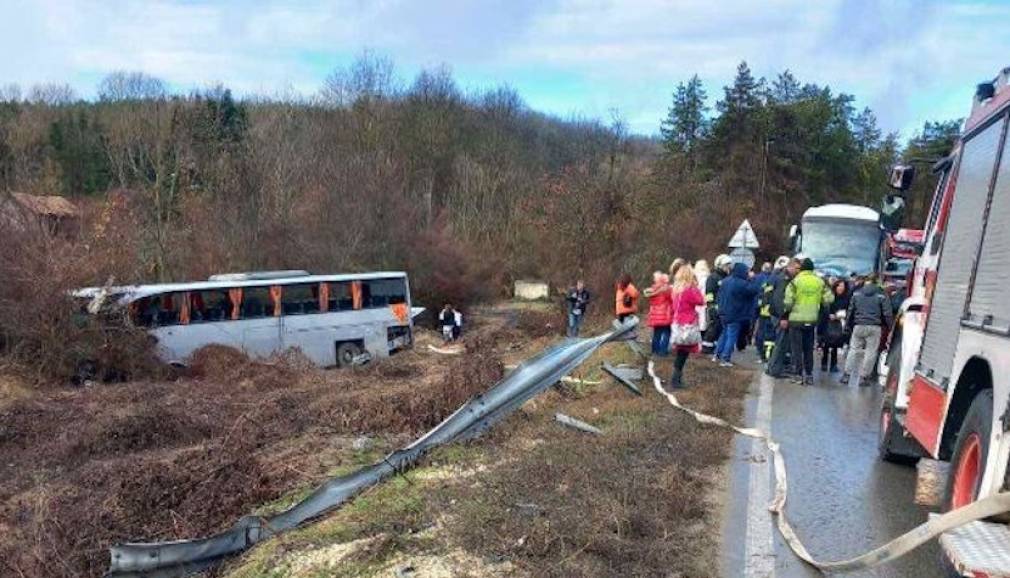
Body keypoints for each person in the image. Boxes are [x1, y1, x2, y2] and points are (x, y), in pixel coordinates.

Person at [783, 258, 834, 385]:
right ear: (812, 269)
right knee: (808, 348)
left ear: (801, 268)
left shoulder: (794, 282)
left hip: (796, 320)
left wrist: (787, 312)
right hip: (811, 320)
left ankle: (798, 375)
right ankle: (809, 375)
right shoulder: (820, 282)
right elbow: (829, 299)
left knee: (796, 349)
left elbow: (788, 303)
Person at [842, 274, 894, 387]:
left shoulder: (857, 293)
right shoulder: (882, 295)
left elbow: (850, 311)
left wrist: (847, 325)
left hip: (858, 325)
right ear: (876, 282)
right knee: (870, 352)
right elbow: (887, 313)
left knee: (853, 350)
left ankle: (846, 375)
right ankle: (864, 377)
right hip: (874, 327)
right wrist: (891, 328)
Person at [715, 262, 761, 367]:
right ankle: (725, 358)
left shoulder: (725, 281)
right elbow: (754, 290)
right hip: (735, 314)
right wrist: (753, 279)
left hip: (723, 312)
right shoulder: (742, 283)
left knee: (724, 334)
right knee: (732, 336)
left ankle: (717, 354)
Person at [669, 265, 706, 388]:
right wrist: (696, 287)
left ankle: (676, 378)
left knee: (681, 351)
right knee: (684, 352)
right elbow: (701, 300)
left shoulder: (676, 289)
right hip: (687, 323)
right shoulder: (689, 290)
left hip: (677, 322)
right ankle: (676, 380)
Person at [766, 258, 800, 378]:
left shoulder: (785, 278)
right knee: (780, 344)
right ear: (790, 267)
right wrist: (784, 317)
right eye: (796, 268)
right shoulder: (784, 280)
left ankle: (773, 367)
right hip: (780, 316)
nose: (798, 271)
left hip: (779, 315)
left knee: (782, 343)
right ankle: (774, 370)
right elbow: (779, 300)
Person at [702, 254, 731, 354]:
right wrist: (711, 305)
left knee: (720, 328)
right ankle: (707, 347)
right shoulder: (713, 277)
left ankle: (716, 348)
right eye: (726, 265)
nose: (728, 267)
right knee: (713, 327)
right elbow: (709, 292)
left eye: (729, 265)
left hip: (724, 307)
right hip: (715, 307)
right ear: (719, 265)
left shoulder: (727, 278)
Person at [820, 279, 849, 373]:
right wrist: (829, 315)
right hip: (828, 322)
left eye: (843, 286)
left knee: (836, 343)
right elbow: (824, 308)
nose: (841, 288)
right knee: (827, 343)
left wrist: (841, 315)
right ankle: (824, 363)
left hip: (839, 323)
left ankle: (833, 364)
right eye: (839, 286)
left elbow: (848, 310)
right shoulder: (830, 297)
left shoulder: (846, 298)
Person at [644, 271, 673, 356]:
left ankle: (654, 350)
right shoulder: (667, 289)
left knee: (657, 333)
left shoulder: (652, 289)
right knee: (667, 332)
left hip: (655, 315)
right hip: (665, 314)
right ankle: (663, 351)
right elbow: (672, 299)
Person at [694, 259, 711, 333]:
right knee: (703, 322)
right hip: (705, 301)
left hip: (696, 302)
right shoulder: (708, 278)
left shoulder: (695, 278)